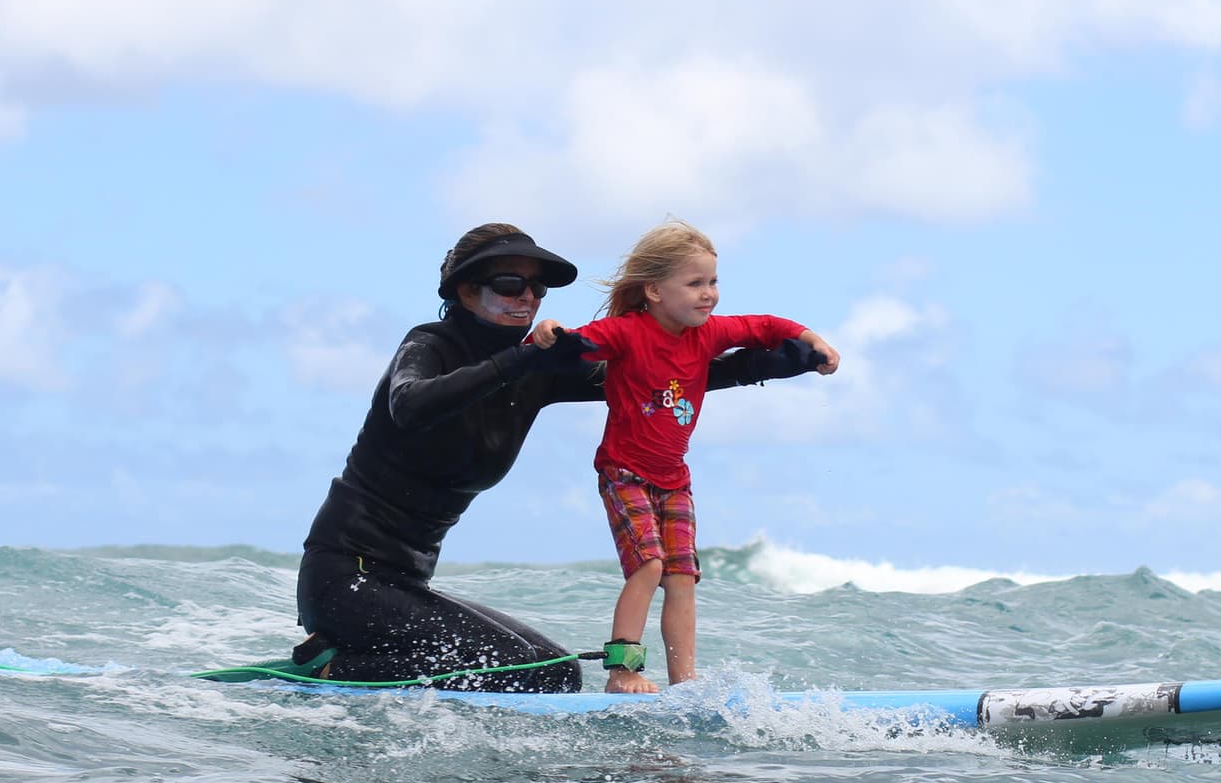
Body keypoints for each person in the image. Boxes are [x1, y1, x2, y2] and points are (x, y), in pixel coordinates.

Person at [295, 222, 825, 692]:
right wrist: (521, 359)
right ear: (464, 291)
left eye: (537, 287)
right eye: (509, 284)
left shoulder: (535, 369)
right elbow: (409, 405)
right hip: (348, 578)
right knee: (532, 674)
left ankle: (357, 658)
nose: (527, 297)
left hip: (404, 587)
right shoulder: (431, 345)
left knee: (556, 671)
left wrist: (774, 363)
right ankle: (336, 668)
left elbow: (650, 380)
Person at [530, 220, 839, 694]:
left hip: (674, 477)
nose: (709, 294)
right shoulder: (627, 333)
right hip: (624, 471)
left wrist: (812, 339)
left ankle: (684, 684)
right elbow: (573, 342)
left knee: (681, 577)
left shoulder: (709, 334)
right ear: (653, 290)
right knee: (649, 566)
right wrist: (547, 331)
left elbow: (765, 326)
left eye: (713, 282)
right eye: (695, 283)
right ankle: (622, 671)